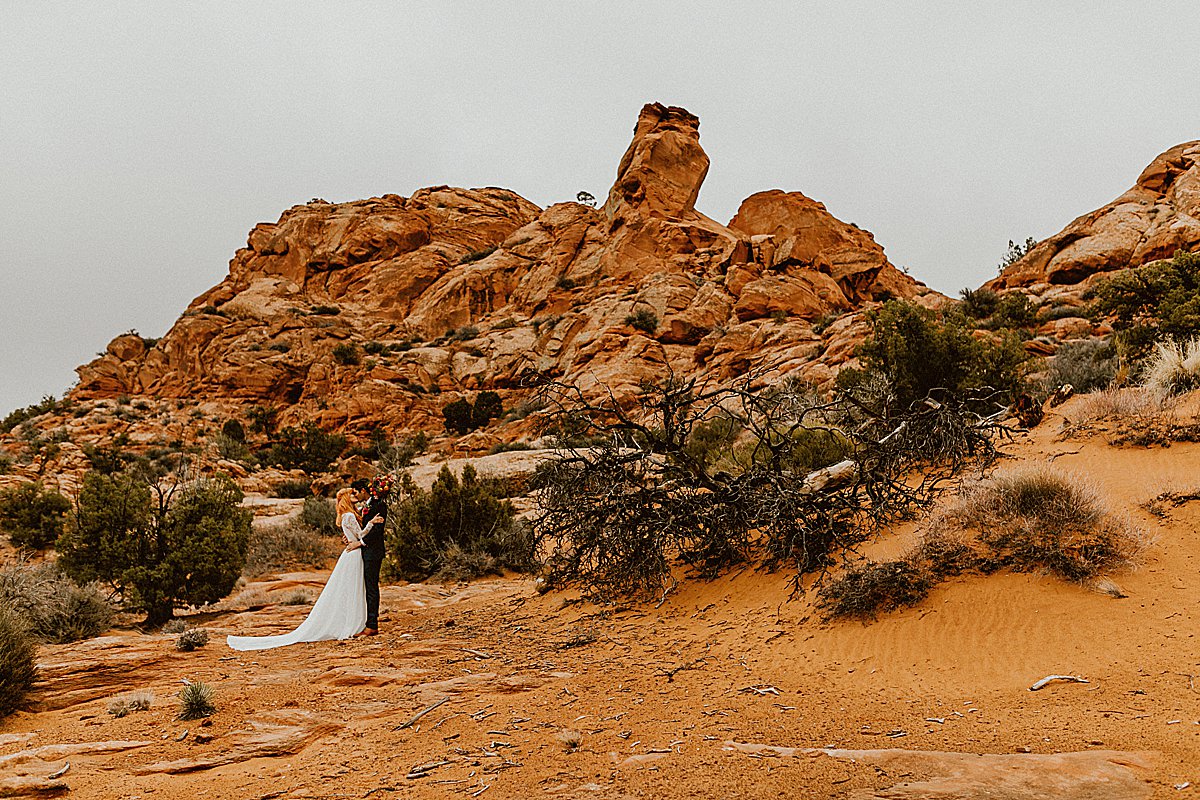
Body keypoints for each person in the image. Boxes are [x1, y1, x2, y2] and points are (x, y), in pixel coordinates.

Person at [225, 487, 382, 651]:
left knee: (354, 589)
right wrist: (371, 523)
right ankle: (353, 622)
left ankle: (356, 621)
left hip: (353, 553)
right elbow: (362, 535)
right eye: (351, 493)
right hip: (354, 554)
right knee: (355, 588)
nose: (354, 495)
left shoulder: (347, 515)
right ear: (346, 498)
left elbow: (354, 535)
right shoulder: (349, 516)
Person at [355, 474, 394, 637]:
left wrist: (361, 542)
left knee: (371, 587)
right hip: (367, 551)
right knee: (367, 587)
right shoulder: (369, 505)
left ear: (364, 491)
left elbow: (377, 532)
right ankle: (366, 621)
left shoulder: (380, 506)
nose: (356, 495)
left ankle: (372, 625)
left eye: (356, 492)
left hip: (373, 551)